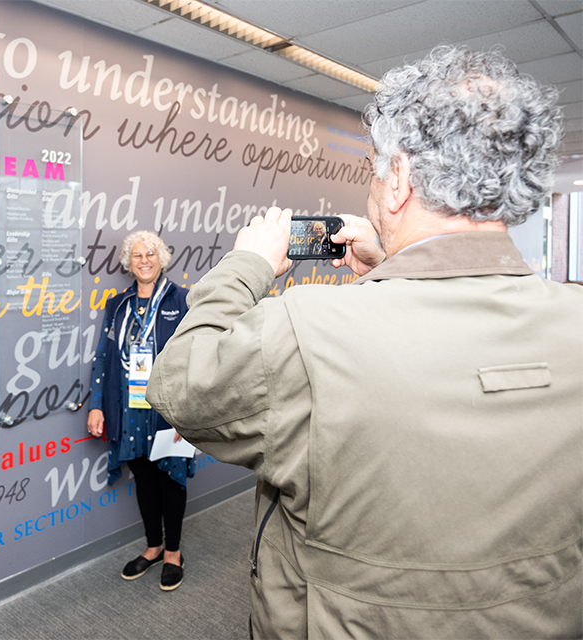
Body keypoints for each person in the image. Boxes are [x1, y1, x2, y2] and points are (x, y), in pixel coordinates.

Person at [147, 46, 582, 638]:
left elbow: (181, 387)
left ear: (398, 178)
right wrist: (390, 266)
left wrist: (246, 265)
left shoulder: (311, 329)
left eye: (376, 166)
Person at [87, 230, 194, 591]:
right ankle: (153, 546)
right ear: (128, 263)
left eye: (150, 254)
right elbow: (103, 358)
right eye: (137, 255)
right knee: (145, 481)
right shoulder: (117, 305)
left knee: (171, 479)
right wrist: (97, 405)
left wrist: (188, 413)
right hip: (130, 410)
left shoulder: (182, 300)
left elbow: (195, 359)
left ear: (161, 258)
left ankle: (174, 553)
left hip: (169, 411)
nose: (144, 260)